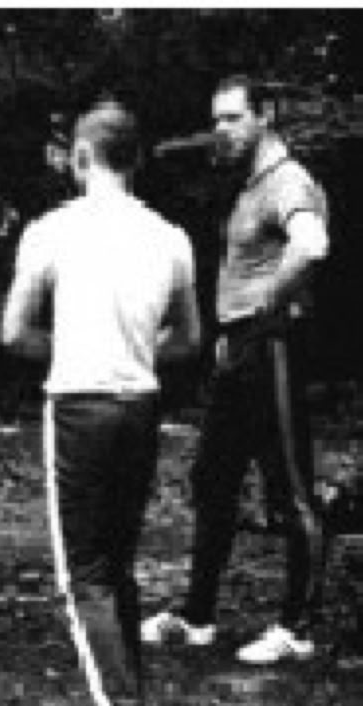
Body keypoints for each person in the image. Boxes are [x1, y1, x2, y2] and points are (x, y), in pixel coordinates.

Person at [2, 101, 201, 706]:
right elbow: (190, 340)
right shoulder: (170, 236)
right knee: (117, 567)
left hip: (81, 403)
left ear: (82, 158)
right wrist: (133, 344)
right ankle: (121, 703)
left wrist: (73, 346)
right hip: (140, 403)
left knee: (82, 573)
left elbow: (13, 333)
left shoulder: (50, 231)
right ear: (138, 159)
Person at [141, 75, 331, 665]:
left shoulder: (288, 180)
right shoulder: (250, 184)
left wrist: (266, 308)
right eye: (217, 119)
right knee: (213, 478)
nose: (221, 130)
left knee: (291, 489)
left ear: (266, 115)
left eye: (232, 118)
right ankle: (197, 615)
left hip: (270, 344)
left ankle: (296, 628)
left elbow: (313, 244)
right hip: (239, 349)